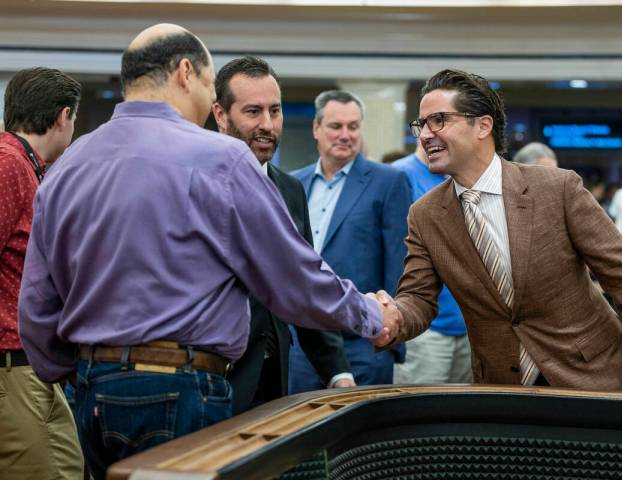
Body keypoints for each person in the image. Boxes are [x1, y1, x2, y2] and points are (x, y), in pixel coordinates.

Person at [17, 24, 398, 478]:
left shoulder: (69, 165)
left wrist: (80, 372)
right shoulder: (220, 158)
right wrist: (371, 315)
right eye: (208, 80)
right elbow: (293, 279)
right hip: (183, 388)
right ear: (185, 72)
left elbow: (37, 305)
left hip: (92, 392)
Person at [375, 68, 622, 403]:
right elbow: (418, 298)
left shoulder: (558, 188)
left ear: (483, 126)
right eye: (421, 124)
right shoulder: (425, 214)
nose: (425, 134)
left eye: (439, 120)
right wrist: (390, 319)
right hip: (505, 391)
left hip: (594, 378)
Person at [211, 56, 354, 414]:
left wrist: (336, 371)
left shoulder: (289, 190)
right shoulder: (197, 182)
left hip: (272, 379)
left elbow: (303, 283)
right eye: (253, 112)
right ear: (220, 114)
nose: (268, 125)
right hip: (213, 381)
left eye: (275, 111)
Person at [290, 90, 412, 392]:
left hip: (363, 343)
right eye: (336, 126)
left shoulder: (388, 182)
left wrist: (390, 336)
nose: (345, 135)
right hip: (301, 344)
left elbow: (398, 264)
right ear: (316, 129)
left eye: (353, 127)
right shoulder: (293, 184)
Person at [0, 67, 83, 480]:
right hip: (11, 368)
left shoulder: (26, 166)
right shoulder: (9, 165)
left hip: (31, 366)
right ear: (63, 117)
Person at [391, 142, 472, 384]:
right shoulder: (399, 177)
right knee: (421, 415)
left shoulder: (466, 178)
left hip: (469, 328)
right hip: (426, 330)